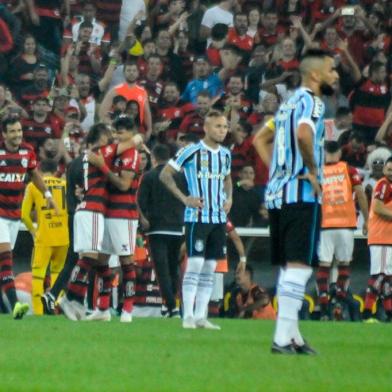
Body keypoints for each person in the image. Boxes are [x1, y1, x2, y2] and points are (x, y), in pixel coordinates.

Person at [254, 49, 339, 354]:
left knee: (291, 267)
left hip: (279, 195)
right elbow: (304, 135)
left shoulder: (287, 104)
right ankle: (280, 338)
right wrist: (314, 171)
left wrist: (280, 171)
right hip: (301, 194)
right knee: (301, 267)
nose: (336, 75)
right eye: (331, 69)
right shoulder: (312, 102)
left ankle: (293, 337)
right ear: (315, 75)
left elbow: (259, 139)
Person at [160, 109, 232, 330]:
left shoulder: (225, 154)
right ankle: (187, 315)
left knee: (210, 267)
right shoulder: (191, 151)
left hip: (218, 218)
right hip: (197, 217)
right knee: (195, 264)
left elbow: (227, 178)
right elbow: (165, 174)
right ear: (206, 128)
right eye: (218, 126)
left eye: (225, 127)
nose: (222, 131)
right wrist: (185, 198)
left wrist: (230, 198)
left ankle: (201, 316)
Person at [0, 116, 57, 319]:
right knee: (5, 261)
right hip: (0, 216)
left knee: (3, 263)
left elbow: (34, 175)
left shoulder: (27, 152)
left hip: (14, 216)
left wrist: (48, 195)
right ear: (4, 134)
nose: (17, 135)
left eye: (19, 130)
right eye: (12, 131)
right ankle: (15, 305)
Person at [86, 117, 141, 323]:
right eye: (115, 133)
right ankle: (103, 307)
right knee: (101, 260)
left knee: (126, 260)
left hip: (123, 214)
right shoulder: (113, 152)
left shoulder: (131, 154)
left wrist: (104, 168)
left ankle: (127, 309)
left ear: (131, 133)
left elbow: (124, 185)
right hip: (106, 212)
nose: (117, 137)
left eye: (121, 133)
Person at [316, 141, 368, 321]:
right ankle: (339, 300)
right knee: (344, 264)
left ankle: (323, 308)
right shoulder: (349, 170)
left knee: (324, 266)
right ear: (339, 152)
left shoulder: (319, 171)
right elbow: (360, 193)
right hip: (345, 223)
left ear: (324, 153)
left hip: (325, 224)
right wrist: (367, 219)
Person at [138, 144, 185, 318]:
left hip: (156, 229)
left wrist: (142, 220)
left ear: (153, 158)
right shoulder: (180, 177)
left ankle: (170, 306)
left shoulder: (148, 177)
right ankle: (172, 305)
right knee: (174, 269)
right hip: (177, 228)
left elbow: (140, 202)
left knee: (162, 269)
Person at [21, 159, 68, 315]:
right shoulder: (65, 184)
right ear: (56, 171)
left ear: (39, 171)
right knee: (58, 274)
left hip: (44, 238)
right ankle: (55, 309)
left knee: (38, 275)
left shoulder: (33, 185)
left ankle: (39, 312)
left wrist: (34, 233)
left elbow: (24, 215)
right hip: (63, 237)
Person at [363, 158, 392, 323]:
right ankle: (367, 312)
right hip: (381, 237)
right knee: (380, 276)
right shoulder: (383, 185)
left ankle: (389, 314)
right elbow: (378, 208)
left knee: (388, 278)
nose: (390, 172)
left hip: (387, 238)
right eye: (388, 169)